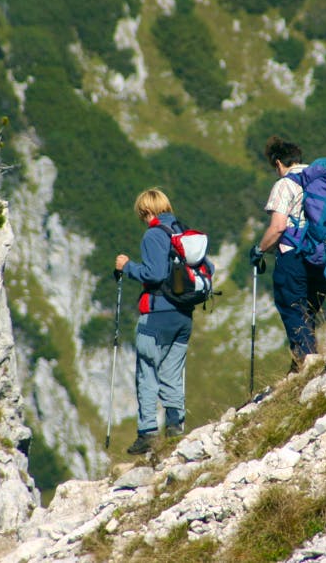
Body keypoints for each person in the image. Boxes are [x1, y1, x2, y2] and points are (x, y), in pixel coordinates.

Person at [115, 188, 210, 455]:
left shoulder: (153, 234)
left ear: (147, 212)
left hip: (156, 316)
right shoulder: (184, 232)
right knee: (172, 373)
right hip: (183, 316)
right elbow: (207, 268)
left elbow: (154, 274)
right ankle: (175, 429)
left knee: (147, 374)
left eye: (142, 214)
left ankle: (147, 434)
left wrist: (127, 266)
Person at [249, 136, 326, 372]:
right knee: (309, 311)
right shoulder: (323, 180)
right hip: (322, 256)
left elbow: (278, 227)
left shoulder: (285, 184)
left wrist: (260, 250)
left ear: (278, 163)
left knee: (292, 308)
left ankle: (306, 365)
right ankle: (300, 365)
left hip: (293, 257)